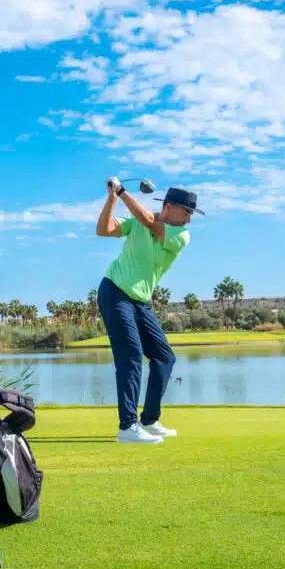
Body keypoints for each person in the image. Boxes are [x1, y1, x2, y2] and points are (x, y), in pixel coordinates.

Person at [95, 177, 202, 444]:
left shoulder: (181, 235)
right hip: (115, 292)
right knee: (130, 356)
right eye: (187, 211)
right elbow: (103, 230)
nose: (189, 218)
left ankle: (149, 420)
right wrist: (112, 199)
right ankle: (127, 427)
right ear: (170, 206)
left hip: (139, 301)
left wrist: (122, 191)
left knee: (164, 359)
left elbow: (149, 222)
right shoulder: (138, 221)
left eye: (191, 214)